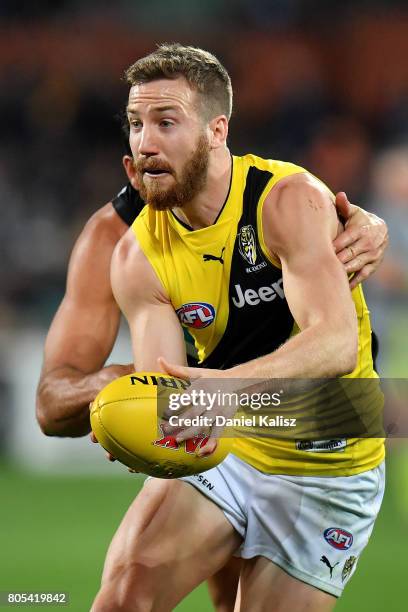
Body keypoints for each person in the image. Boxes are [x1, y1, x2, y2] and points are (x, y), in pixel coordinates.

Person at [85, 44, 386, 611]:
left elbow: (335, 341)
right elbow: (167, 395)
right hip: (234, 449)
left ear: (216, 130)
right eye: (134, 124)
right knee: (122, 600)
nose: (145, 141)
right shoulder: (136, 257)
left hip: (329, 462)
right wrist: (152, 432)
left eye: (165, 122)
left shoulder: (287, 200)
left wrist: (223, 390)